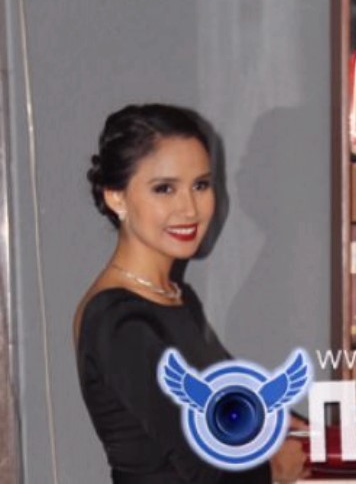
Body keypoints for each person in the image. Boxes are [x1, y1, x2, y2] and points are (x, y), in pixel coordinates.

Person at [74, 104, 308, 483]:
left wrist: (276, 420)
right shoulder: (119, 321)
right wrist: (274, 469)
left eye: (200, 185)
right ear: (117, 197)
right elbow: (205, 467)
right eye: (164, 189)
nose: (189, 209)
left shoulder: (174, 296)